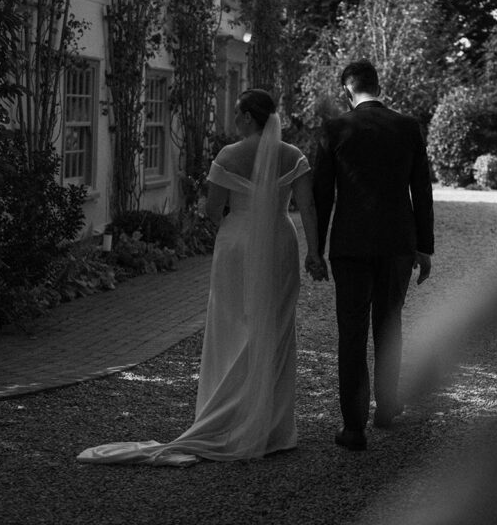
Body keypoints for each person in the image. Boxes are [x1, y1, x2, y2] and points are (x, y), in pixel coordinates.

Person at [77, 89, 324, 466]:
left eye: (237, 113)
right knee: (275, 325)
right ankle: (273, 428)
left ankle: (227, 417)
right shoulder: (293, 155)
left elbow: (212, 210)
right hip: (279, 240)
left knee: (231, 322)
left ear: (245, 117)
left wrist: (236, 221)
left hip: (237, 242)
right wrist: (316, 254)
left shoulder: (228, 155)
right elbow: (307, 206)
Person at [312, 59, 434, 452]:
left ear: (348, 91)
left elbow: (322, 196)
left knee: (351, 333)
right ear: (378, 86)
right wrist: (425, 246)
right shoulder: (407, 127)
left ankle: (353, 428)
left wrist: (315, 249)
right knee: (389, 324)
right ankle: (386, 407)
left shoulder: (335, 129)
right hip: (398, 243)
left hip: (349, 246)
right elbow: (422, 190)